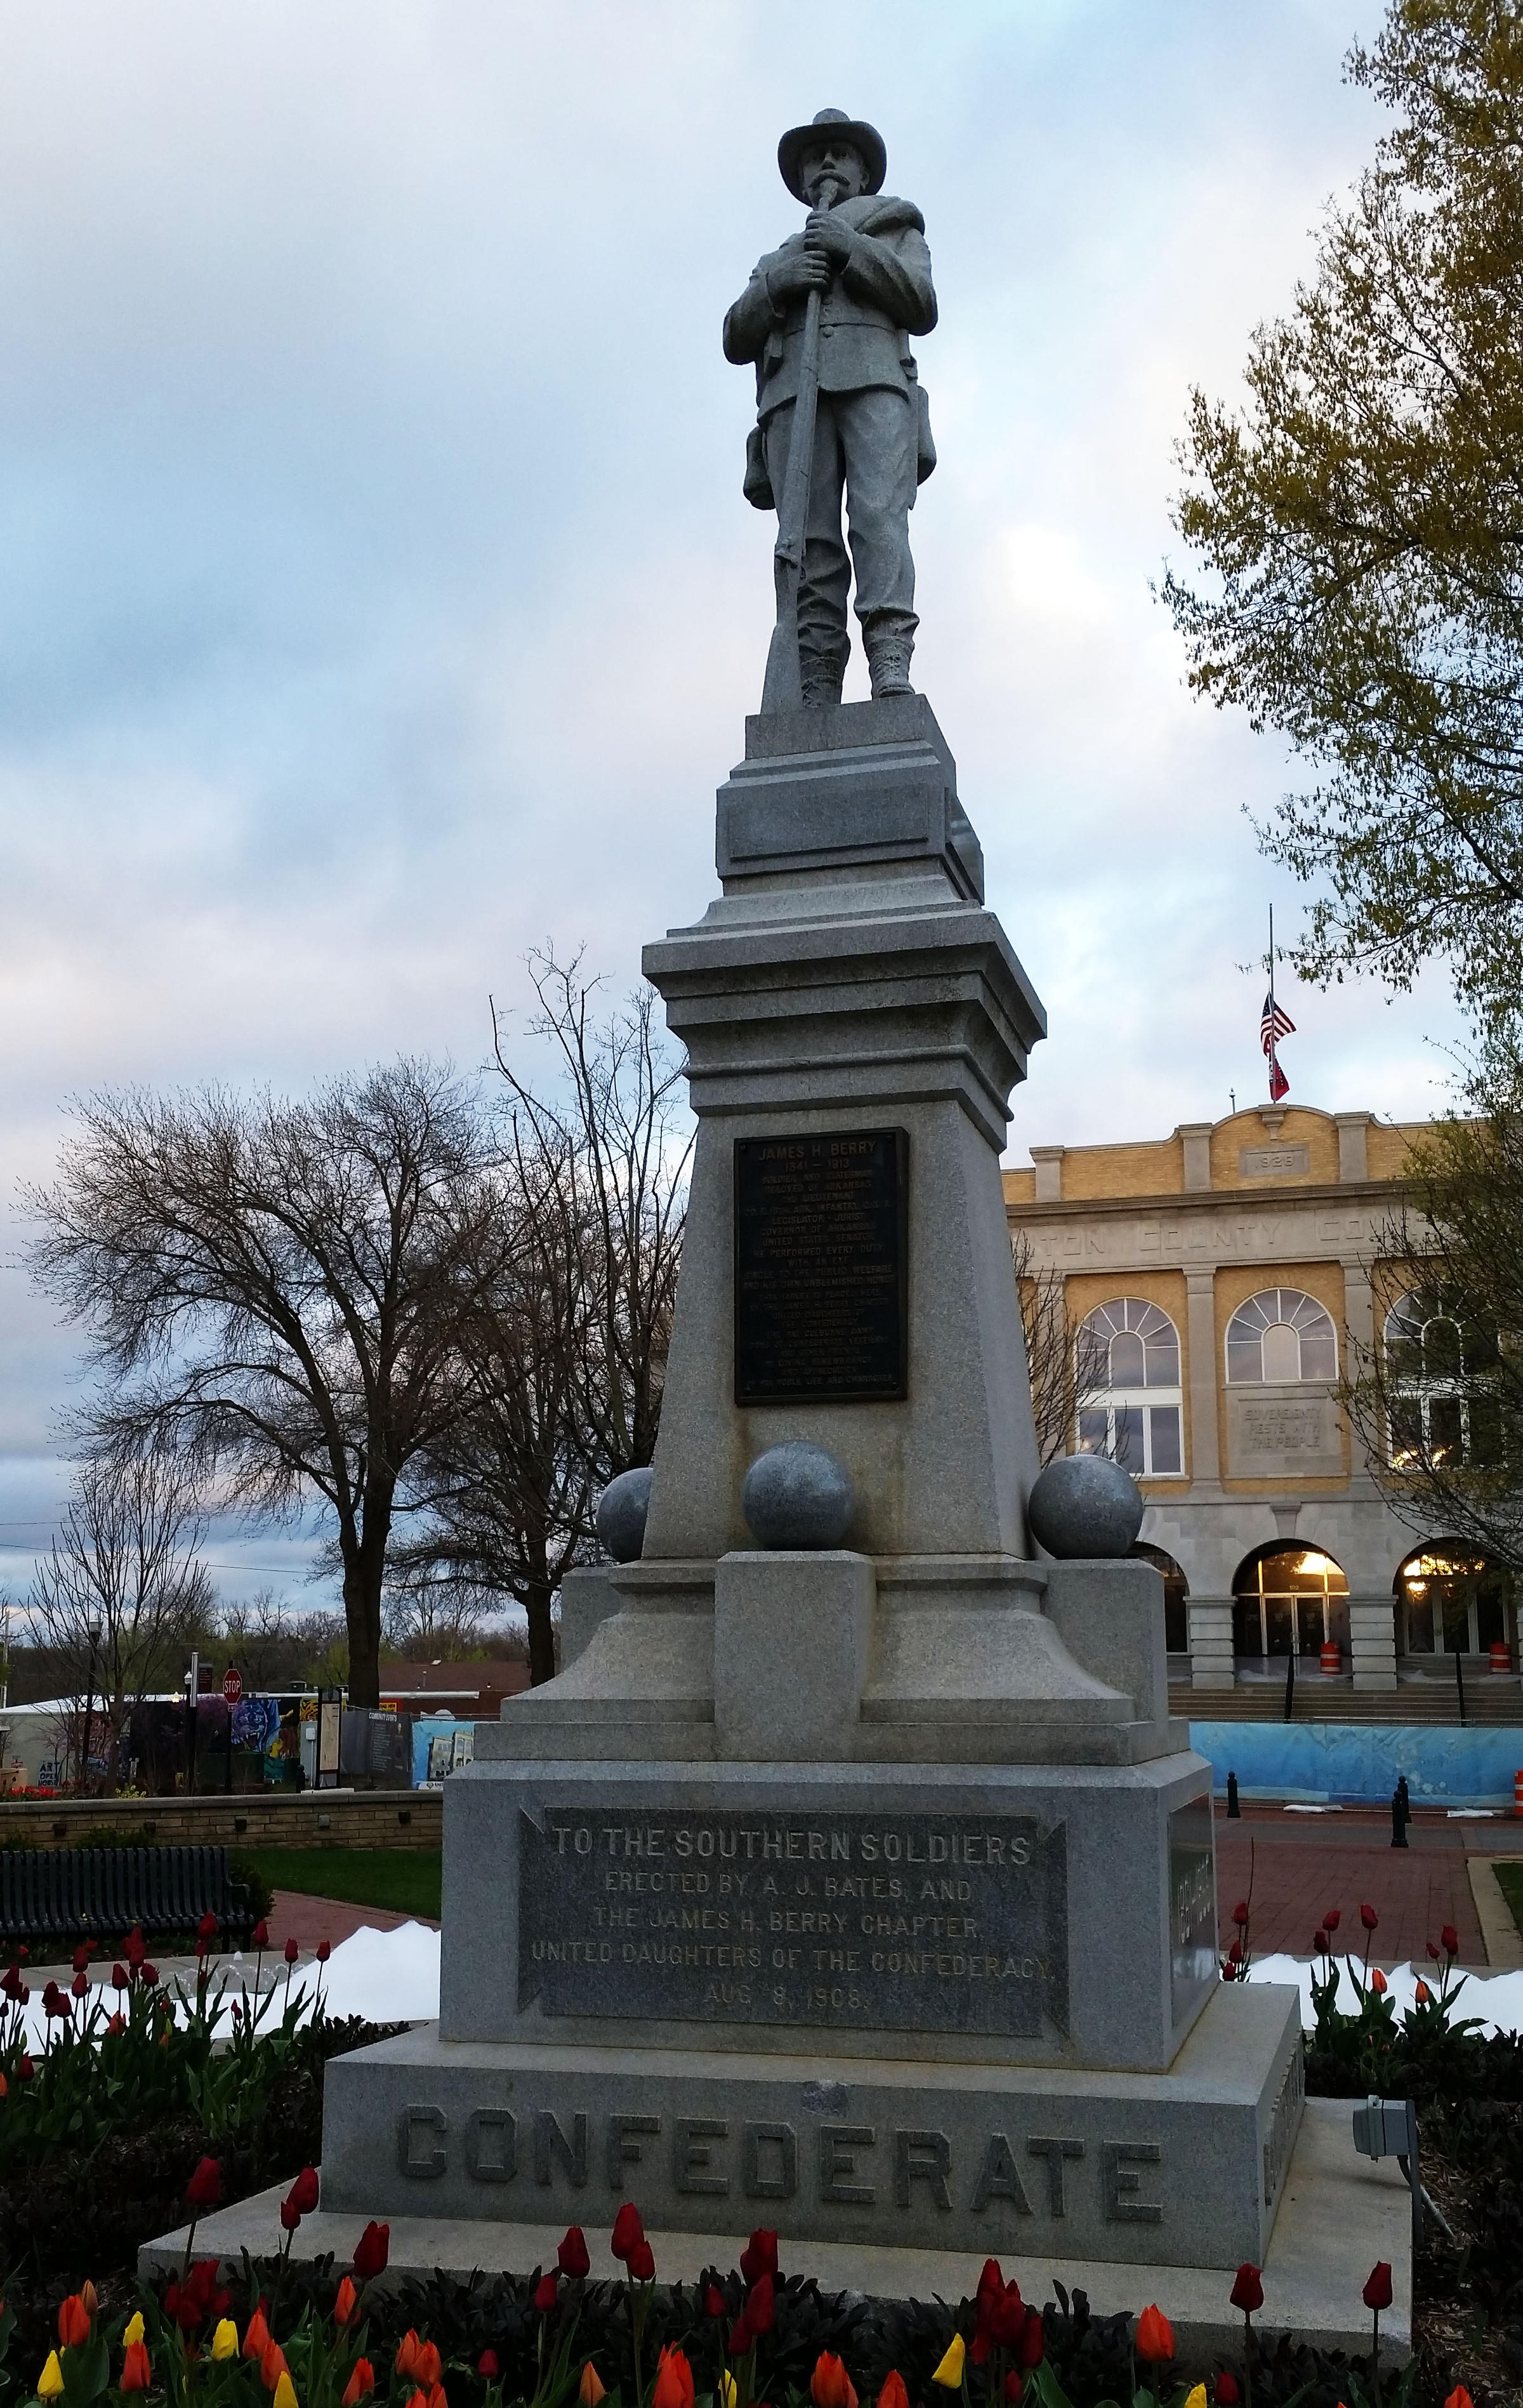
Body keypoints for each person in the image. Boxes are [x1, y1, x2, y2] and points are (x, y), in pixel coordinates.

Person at [724, 107, 937, 705]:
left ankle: (889, 657)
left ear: (865, 174)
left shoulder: (896, 228)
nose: (825, 163)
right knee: (810, 542)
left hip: (874, 383)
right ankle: (816, 677)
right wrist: (777, 287)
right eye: (816, 156)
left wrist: (850, 249)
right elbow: (733, 335)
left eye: (839, 153)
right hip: (796, 397)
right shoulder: (779, 258)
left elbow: (920, 302)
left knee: (878, 521)